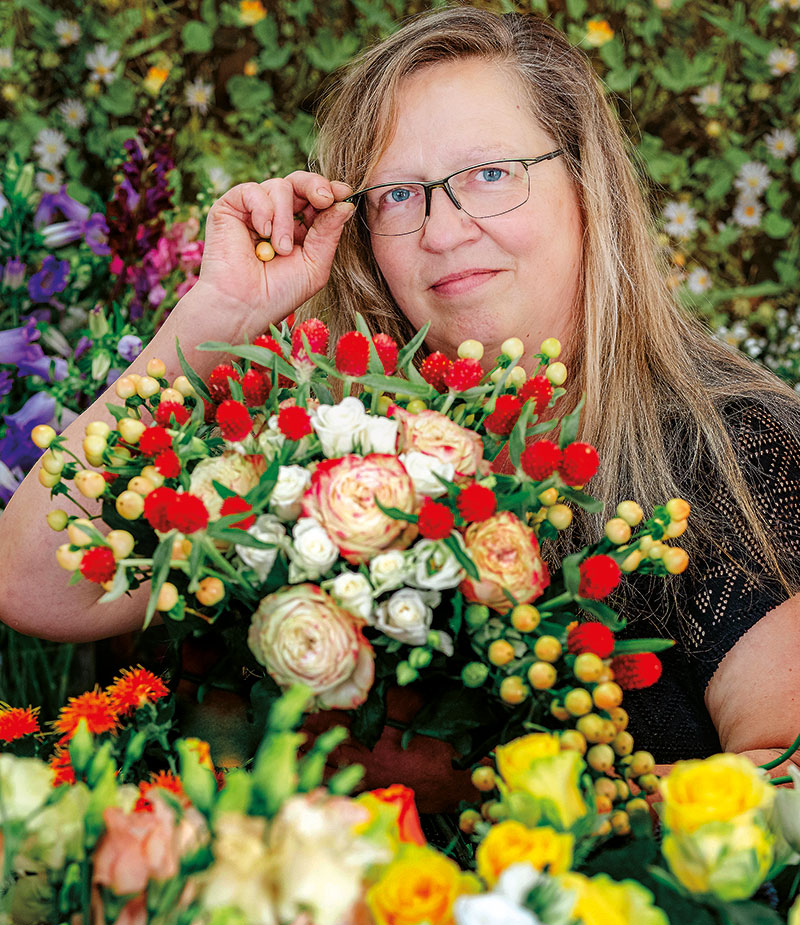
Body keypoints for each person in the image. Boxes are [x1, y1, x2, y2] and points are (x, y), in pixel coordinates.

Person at [1, 7, 799, 778]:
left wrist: (494, 787)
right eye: (398, 196)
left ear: (590, 186)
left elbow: (785, 777)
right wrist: (218, 315)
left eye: (492, 175)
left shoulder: (730, 451)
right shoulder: (331, 449)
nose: (443, 232)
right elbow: (33, 581)